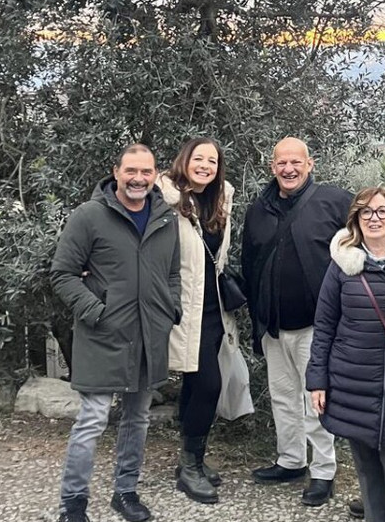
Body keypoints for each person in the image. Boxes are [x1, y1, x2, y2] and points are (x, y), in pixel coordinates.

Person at [50, 143, 181, 522]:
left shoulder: (166, 219)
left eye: (146, 172)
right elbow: (62, 274)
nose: (138, 179)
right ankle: (73, 504)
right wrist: (96, 312)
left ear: (155, 175)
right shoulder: (89, 216)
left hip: (149, 337)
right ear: (116, 172)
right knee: (92, 420)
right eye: (131, 171)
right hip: (103, 336)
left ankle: (125, 493)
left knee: (137, 419)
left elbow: (173, 273)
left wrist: (171, 310)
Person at [307, 187, 385, 522]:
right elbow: (324, 325)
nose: (374, 218)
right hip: (351, 380)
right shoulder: (342, 264)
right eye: (366, 212)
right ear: (356, 219)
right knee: (365, 465)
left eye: (381, 211)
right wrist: (317, 379)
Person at [241, 137, 352, 506]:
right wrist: (256, 316)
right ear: (272, 166)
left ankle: (323, 471)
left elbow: (362, 246)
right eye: (281, 163)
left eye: (295, 162)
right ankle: (290, 460)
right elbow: (249, 262)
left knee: (315, 400)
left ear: (310, 164)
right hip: (273, 325)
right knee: (283, 397)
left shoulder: (334, 201)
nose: (288, 169)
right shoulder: (259, 208)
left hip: (316, 326)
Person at [159, 137, 238, 504]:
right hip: (184, 306)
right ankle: (189, 466)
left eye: (212, 161)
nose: (205, 166)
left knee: (195, 382)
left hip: (213, 307)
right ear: (185, 161)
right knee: (209, 384)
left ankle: (191, 460)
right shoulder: (166, 198)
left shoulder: (220, 199)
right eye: (199, 159)